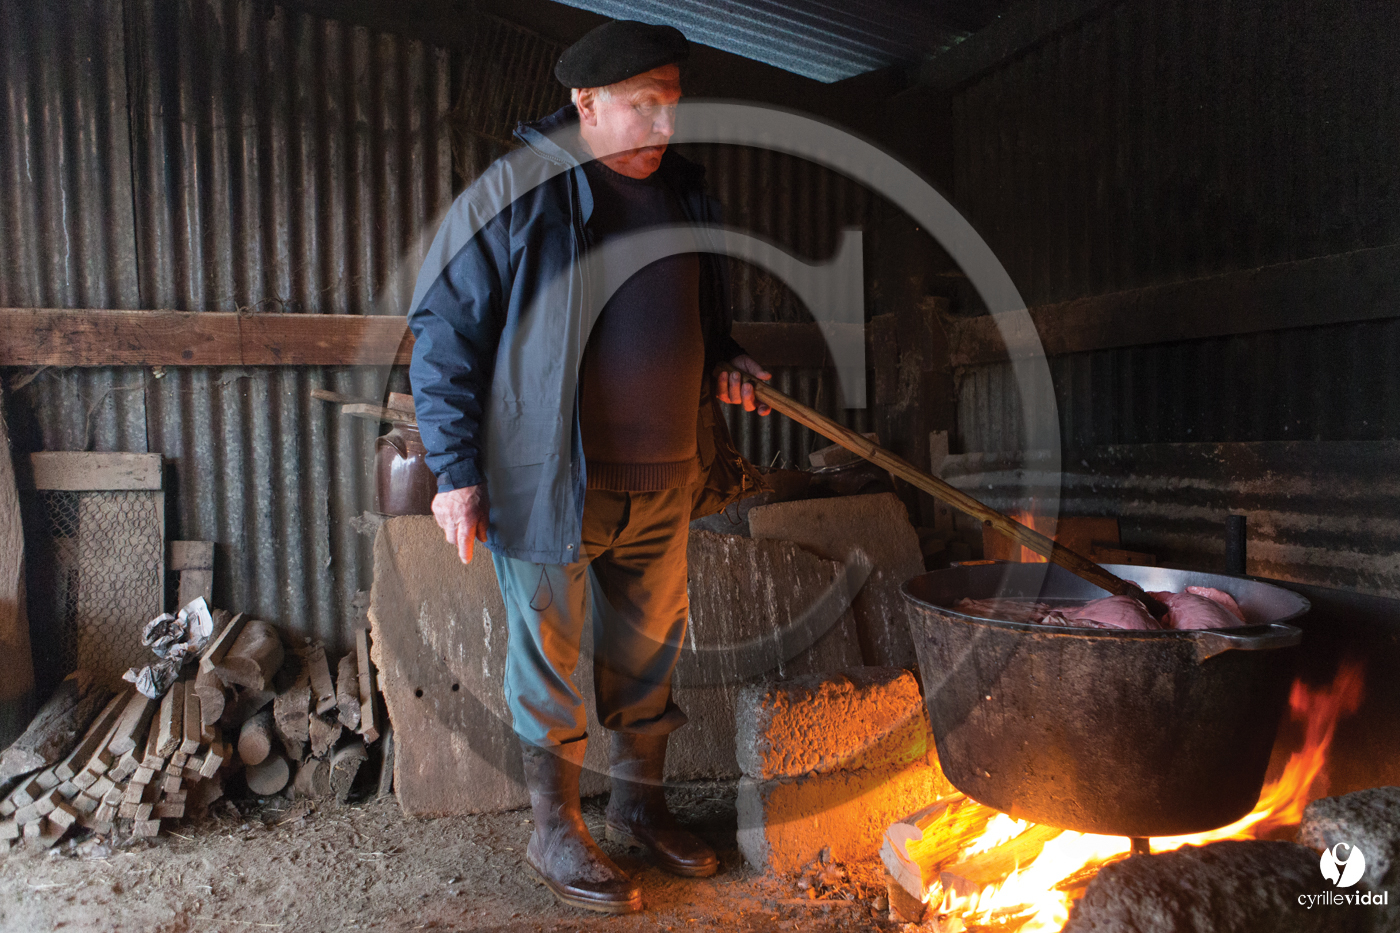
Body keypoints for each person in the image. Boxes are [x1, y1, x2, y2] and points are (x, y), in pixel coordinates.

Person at [406, 19, 771, 915]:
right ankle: (553, 826)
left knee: (649, 655)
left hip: (666, 477)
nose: (662, 128)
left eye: (671, 108)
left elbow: (695, 310)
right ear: (586, 103)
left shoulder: (683, 192)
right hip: (548, 482)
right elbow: (444, 331)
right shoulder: (519, 191)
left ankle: (640, 806)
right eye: (644, 107)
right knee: (552, 660)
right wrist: (455, 471)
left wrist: (725, 356)